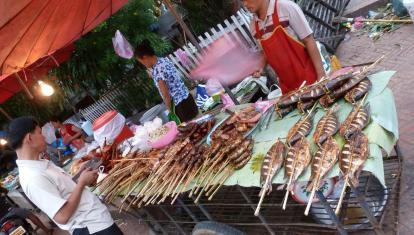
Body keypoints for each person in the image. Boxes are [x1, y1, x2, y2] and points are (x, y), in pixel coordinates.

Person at [7, 117, 123, 235]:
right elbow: (62, 216)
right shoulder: (33, 178)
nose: (44, 137)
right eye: (40, 133)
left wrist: (79, 174)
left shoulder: (39, 163)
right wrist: (82, 183)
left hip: (97, 220)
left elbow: (63, 191)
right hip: (92, 228)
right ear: (30, 138)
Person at [243, 0, 326, 94]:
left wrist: (321, 76)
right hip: (288, 90)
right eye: (242, 1)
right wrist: (260, 66)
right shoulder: (254, 27)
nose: (245, 4)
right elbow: (266, 52)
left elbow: (308, 39)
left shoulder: (286, 7)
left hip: (311, 79)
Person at [134, 40, 199, 122]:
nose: (143, 65)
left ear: (145, 57)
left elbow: (166, 95)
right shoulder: (163, 60)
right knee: (199, 126)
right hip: (187, 98)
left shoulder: (157, 71)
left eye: (141, 62)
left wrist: (171, 111)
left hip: (179, 107)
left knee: (191, 130)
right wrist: (153, 75)